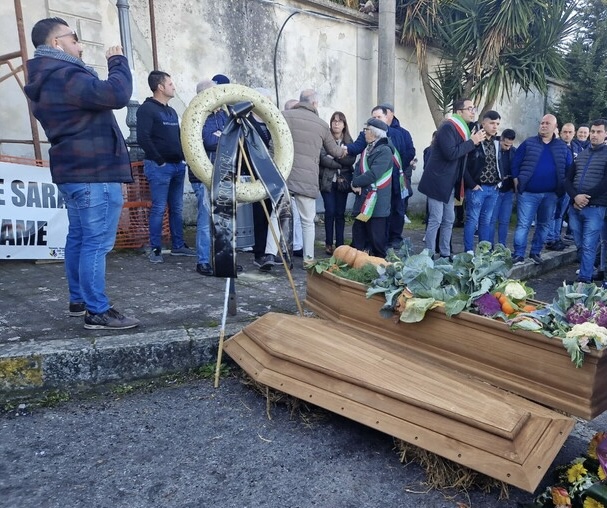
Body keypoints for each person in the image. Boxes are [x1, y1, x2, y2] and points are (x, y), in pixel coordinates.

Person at [24, 17, 140, 329]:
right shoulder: (63, 75)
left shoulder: (47, 77)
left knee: (79, 237)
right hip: (93, 170)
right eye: (74, 38)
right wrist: (117, 61)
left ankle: (79, 300)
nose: (80, 44)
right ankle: (97, 310)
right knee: (96, 242)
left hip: (75, 170)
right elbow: (116, 95)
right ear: (56, 43)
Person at [259, 89, 344, 265]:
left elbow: (272, 146)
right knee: (307, 221)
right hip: (307, 180)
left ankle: (269, 253)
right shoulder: (321, 124)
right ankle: (309, 259)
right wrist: (345, 151)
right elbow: (334, 151)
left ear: (300, 101)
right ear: (314, 104)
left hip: (284, 176)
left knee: (276, 215)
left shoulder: (283, 116)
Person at [137, 70, 196, 264]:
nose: (174, 87)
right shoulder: (147, 109)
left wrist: (182, 159)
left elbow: (178, 137)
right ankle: (155, 248)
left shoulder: (171, 111)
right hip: (159, 167)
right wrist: (159, 160)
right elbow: (143, 138)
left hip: (177, 166)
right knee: (159, 208)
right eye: (170, 84)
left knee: (177, 208)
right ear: (160, 87)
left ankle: (178, 245)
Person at [418, 99, 485, 259]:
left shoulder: (463, 129)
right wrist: (472, 142)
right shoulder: (448, 127)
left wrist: (473, 142)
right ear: (459, 111)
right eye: (469, 108)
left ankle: (445, 253)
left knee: (449, 219)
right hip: (437, 181)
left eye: (473, 108)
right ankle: (429, 255)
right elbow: (451, 153)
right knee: (436, 219)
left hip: (450, 182)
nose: (473, 111)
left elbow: (462, 155)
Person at [511, 114, 573, 265]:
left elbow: (570, 169)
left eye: (547, 123)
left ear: (554, 127)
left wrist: (563, 188)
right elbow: (515, 164)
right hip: (528, 193)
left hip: (551, 195)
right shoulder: (528, 143)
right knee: (523, 224)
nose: (543, 125)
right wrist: (516, 181)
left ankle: (535, 252)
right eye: (542, 123)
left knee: (544, 225)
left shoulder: (562, 147)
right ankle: (518, 254)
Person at [563, 118, 607, 283]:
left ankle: (584, 279)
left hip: (595, 207)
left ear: (606, 134)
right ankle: (586, 273)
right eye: (593, 132)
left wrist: (585, 198)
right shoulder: (582, 155)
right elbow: (567, 179)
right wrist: (575, 196)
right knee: (580, 244)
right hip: (575, 207)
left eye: (599, 132)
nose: (595, 135)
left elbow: (605, 183)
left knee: (589, 245)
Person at [462, 110, 504, 253]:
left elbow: (498, 162)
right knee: (472, 221)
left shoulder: (496, 141)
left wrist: (500, 180)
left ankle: (483, 252)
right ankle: (469, 251)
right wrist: (472, 184)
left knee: (486, 222)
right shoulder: (474, 140)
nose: (495, 127)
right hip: (477, 188)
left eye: (497, 124)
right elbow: (464, 164)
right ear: (483, 123)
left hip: (493, 188)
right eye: (492, 123)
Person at [351, 118, 393, 257]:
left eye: (366, 130)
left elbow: (374, 173)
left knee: (376, 238)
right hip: (363, 198)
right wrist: (354, 182)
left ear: (375, 133)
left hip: (376, 201)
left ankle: (380, 265)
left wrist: (356, 182)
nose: (364, 133)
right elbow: (358, 167)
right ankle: (358, 262)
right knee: (359, 233)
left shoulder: (385, 151)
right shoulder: (368, 148)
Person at [379, 103, 416, 247]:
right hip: (383, 177)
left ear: (391, 115)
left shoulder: (403, 133)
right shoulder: (375, 132)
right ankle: (383, 236)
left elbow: (410, 151)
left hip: (399, 176)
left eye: (384, 115)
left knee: (398, 208)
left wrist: (400, 166)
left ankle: (395, 237)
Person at [319, 111, 356, 254]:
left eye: (339, 121)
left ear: (344, 125)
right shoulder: (324, 139)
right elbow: (322, 158)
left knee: (340, 213)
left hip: (343, 182)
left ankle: (340, 245)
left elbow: (351, 159)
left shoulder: (349, 141)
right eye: (334, 121)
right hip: (327, 180)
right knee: (330, 211)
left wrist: (334, 158)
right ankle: (328, 243)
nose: (336, 123)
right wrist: (340, 158)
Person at [191, 79, 215, 276]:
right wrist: (220, 136)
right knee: (206, 221)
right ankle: (204, 260)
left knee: (224, 221)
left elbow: (235, 137)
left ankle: (223, 260)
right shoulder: (196, 115)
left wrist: (219, 136)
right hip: (202, 177)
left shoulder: (222, 114)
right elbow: (207, 140)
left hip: (223, 174)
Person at [545, 122, 580, 251]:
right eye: (565, 132)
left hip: (568, 187)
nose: (567, 134)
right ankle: (549, 239)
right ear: (560, 132)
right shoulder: (554, 146)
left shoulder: (576, 147)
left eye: (570, 132)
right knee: (552, 213)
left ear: (574, 133)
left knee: (560, 214)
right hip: (554, 186)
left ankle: (556, 237)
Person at [489, 129, 517, 247]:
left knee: (504, 221)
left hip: (508, 191)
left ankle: (501, 246)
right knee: (491, 220)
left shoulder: (514, 152)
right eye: (505, 145)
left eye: (510, 145)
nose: (508, 148)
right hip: (496, 190)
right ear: (501, 139)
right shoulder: (493, 149)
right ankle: (488, 247)